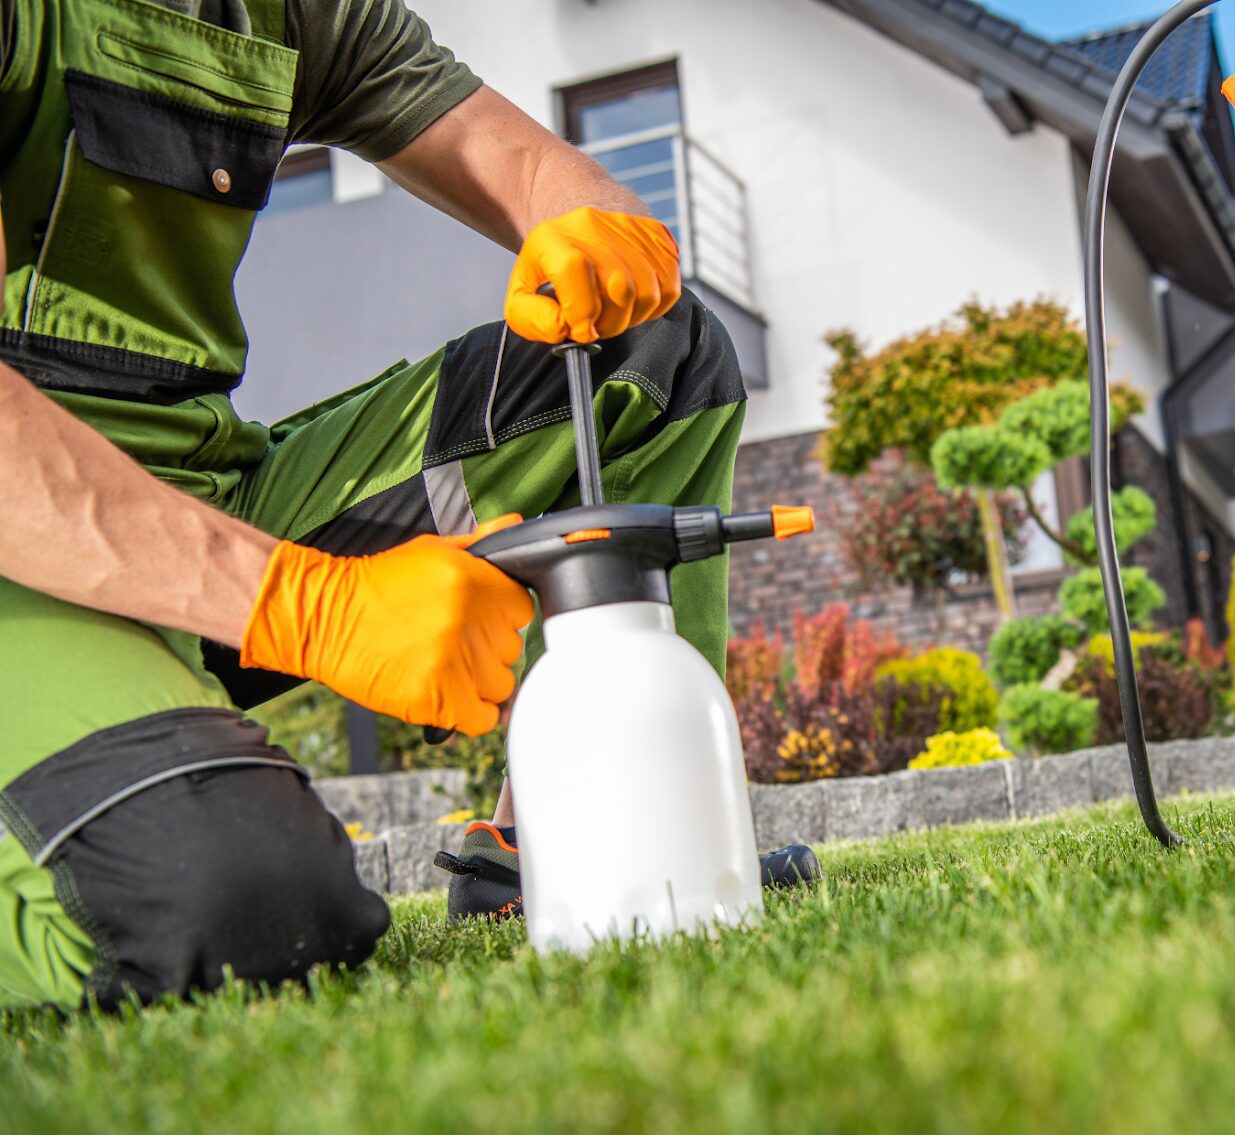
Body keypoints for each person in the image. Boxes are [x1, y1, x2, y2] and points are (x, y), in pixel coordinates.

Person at [0, 0, 813, 1012]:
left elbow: (509, 153)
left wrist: (589, 217)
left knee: (653, 357)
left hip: (206, 491)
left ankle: (567, 844)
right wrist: (307, 604)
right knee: (233, 902)